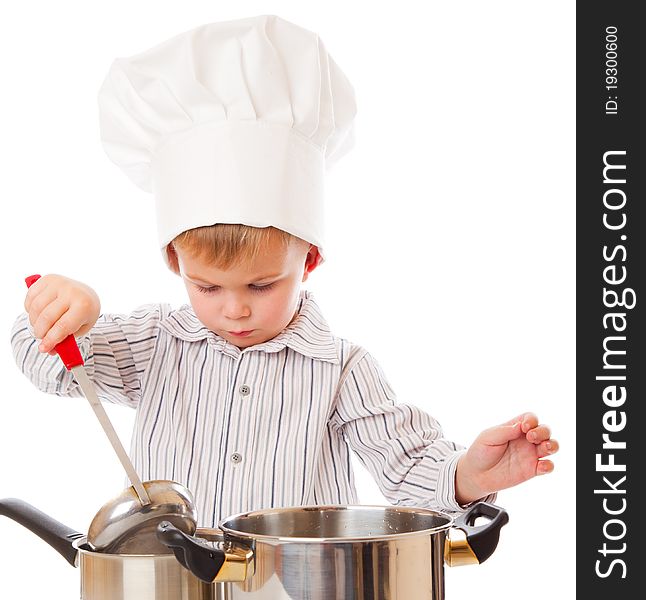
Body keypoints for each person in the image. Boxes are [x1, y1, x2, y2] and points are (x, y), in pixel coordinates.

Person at [10, 15, 558, 528]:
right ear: (175, 264)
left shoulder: (342, 370)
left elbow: (406, 468)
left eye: (261, 284)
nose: (235, 308)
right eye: (206, 286)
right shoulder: (156, 344)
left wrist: (470, 476)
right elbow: (51, 367)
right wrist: (64, 312)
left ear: (309, 260)